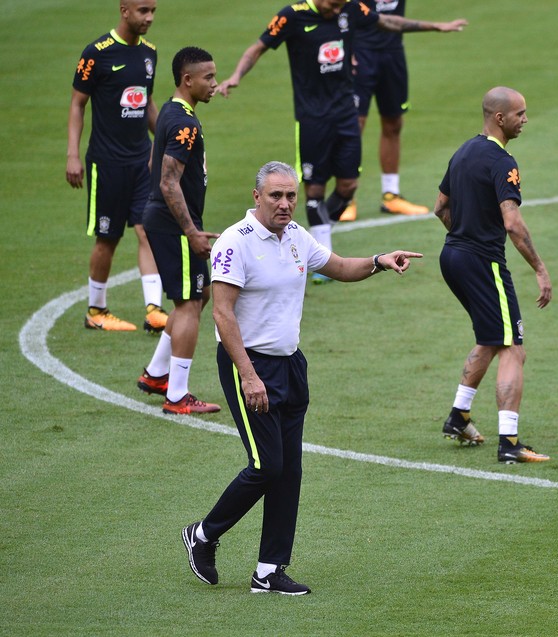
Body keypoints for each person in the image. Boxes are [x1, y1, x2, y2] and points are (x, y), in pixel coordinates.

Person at [181, 160, 421, 595]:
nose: (286, 203)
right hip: (248, 365)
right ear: (257, 197)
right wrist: (249, 377)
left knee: (289, 470)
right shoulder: (235, 243)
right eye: (276, 195)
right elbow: (221, 313)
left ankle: (269, 570)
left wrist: (379, 261)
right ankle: (202, 535)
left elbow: (341, 267)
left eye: (291, 195)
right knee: (266, 464)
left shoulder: (295, 236)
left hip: (291, 364)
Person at [215, 0, 465, 283]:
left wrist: (435, 27)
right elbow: (258, 47)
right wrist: (236, 75)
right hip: (312, 119)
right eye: (332, 6)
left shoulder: (350, 8)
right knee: (315, 190)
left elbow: (389, 22)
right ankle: (322, 260)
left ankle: (317, 241)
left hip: (346, 113)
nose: (337, 11)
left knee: (348, 186)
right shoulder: (292, 16)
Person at [435, 87, 553, 464]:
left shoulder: (463, 151)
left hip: (451, 256)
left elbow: (440, 207)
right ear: (499, 118)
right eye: (520, 113)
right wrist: (539, 268)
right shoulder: (503, 162)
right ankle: (510, 442)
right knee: (513, 347)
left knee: (490, 337)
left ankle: (458, 416)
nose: (525, 119)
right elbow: (513, 224)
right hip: (482, 262)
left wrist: (463, 235)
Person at [67, 0, 169, 333]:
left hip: (143, 162)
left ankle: (154, 308)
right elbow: (77, 104)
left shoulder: (149, 53)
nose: (150, 18)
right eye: (143, 11)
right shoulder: (96, 53)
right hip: (107, 163)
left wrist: (166, 143)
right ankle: (96, 310)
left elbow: (148, 102)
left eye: (153, 11)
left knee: (146, 229)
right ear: (124, 10)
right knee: (107, 238)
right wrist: (72, 154)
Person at [136, 47, 222, 415]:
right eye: (208, 78)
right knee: (189, 304)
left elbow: (158, 164)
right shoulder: (184, 122)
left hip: (167, 221)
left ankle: (157, 374)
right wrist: (190, 230)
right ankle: (177, 396)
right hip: (175, 225)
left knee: (198, 296)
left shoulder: (172, 112)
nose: (215, 85)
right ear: (187, 80)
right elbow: (169, 181)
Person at [352, 1, 467, 219]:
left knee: (393, 123)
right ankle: (347, 198)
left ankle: (391, 195)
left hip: (393, 52)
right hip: (359, 52)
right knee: (354, 126)